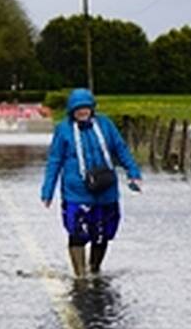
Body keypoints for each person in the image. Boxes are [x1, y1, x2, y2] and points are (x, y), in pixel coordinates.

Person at [41, 88, 143, 277]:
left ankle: (95, 269)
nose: (83, 112)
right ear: (72, 110)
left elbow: (120, 149)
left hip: (106, 190)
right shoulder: (63, 130)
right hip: (76, 191)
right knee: (77, 231)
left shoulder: (105, 125)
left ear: (92, 108)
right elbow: (54, 161)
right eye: (78, 109)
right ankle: (80, 275)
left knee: (102, 233)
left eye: (86, 108)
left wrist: (133, 173)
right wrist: (48, 191)